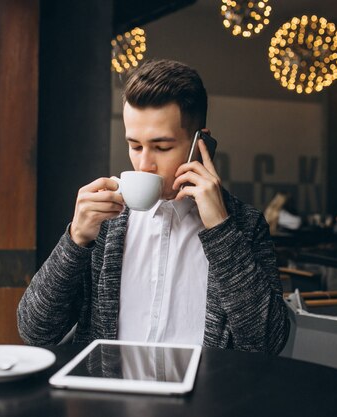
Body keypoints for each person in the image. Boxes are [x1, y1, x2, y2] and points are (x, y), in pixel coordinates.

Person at [17, 59, 289, 354]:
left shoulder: (245, 226)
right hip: (109, 398)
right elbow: (35, 332)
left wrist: (220, 229)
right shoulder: (103, 223)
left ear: (201, 143)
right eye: (135, 146)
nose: (144, 164)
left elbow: (268, 344)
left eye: (161, 147)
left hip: (208, 399)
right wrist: (76, 239)